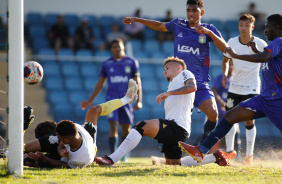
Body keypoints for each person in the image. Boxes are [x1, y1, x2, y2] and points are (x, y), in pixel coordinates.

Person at [178, 14, 282, 164]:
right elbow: (264, 56)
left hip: (277, 100)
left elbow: (264, 58)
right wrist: (254, 50)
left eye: (267, 27)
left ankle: (247, 154)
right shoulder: (272, 44)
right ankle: (201, 150)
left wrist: (236, 55)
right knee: (229, 117)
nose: (265, 31)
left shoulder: (279, 41)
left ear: (276, 27)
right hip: (263, 99)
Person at [122, 0, 228, 144]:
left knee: (213, 113)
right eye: (188, 10)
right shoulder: (179, 24)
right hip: (179, 83)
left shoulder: (209, 29)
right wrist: (136, 20)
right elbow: (159, 26)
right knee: (175, 124)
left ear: (201, 12)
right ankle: (171, 152)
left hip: (199, 82)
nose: (191, 13)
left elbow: (225, 49)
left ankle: (202, 148)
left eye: (194, 10)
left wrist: (209, 33)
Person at [94, 57, 229, 166]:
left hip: (177, 127)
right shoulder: (173, 84)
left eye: (167, 67)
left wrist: (168, 93)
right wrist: (169, 93)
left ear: (179, 67)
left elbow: (193, 87)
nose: (164, 71)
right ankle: (214, 157)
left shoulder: (185, 74)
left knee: (141, 126)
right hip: (179, 130)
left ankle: (111, 159)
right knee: (174, 163)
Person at [24, 79, 139, 168]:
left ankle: (127, 99)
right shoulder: (77, 154)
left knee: (94, 110)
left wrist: (88, 133)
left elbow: (64, 159)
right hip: (86, 145)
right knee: (29, 157)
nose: (57, 137)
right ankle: (126, 99)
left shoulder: (72, 139)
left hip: (86, 141)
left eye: (57, 136)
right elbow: (65, 162)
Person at [81, 39, 142, 161]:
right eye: (114, 47)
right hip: (112, 100)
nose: (117, 49)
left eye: (119, 46)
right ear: (111, 49)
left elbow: (137, 82)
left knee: (126, 129)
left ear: (123, 47)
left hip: (126, 101)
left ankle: (122, 155)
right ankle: (112, 155)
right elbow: (100, 84)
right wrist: (90, 100)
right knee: (113, 126)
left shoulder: (132, 62)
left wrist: (139, 100)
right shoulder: (107, 64)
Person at [221, 14, 268, 165]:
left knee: (249, 120)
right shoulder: (232, 42)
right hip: (234, 87)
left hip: (252, 88)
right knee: (229, 118)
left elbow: (268, 61)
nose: (243, 28)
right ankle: (229, 152)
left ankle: (249, 155)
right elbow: (225, 61)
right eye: (241, 25)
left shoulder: (260, 44)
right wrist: (224, 75)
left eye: (247, 26)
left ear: (252, 27)